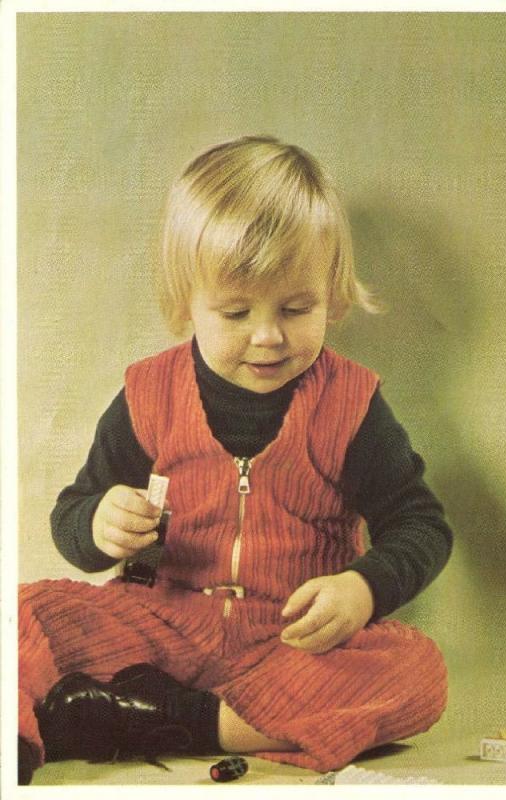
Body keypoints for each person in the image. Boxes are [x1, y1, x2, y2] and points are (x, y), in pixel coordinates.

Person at [18, 135, 453, 785]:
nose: (268, 335)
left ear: (331, 297)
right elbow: (74, 514)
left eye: (295, 308)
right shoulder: (149, 394)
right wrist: (98, 524)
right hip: (160, 625)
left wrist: (361, 590)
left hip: (292, 644)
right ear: (184, 303)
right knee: (22, 613)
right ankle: (19, 740)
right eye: (235, 311)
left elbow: (422, 526)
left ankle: (164, 720)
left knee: (418, 675)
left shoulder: (351, 406)